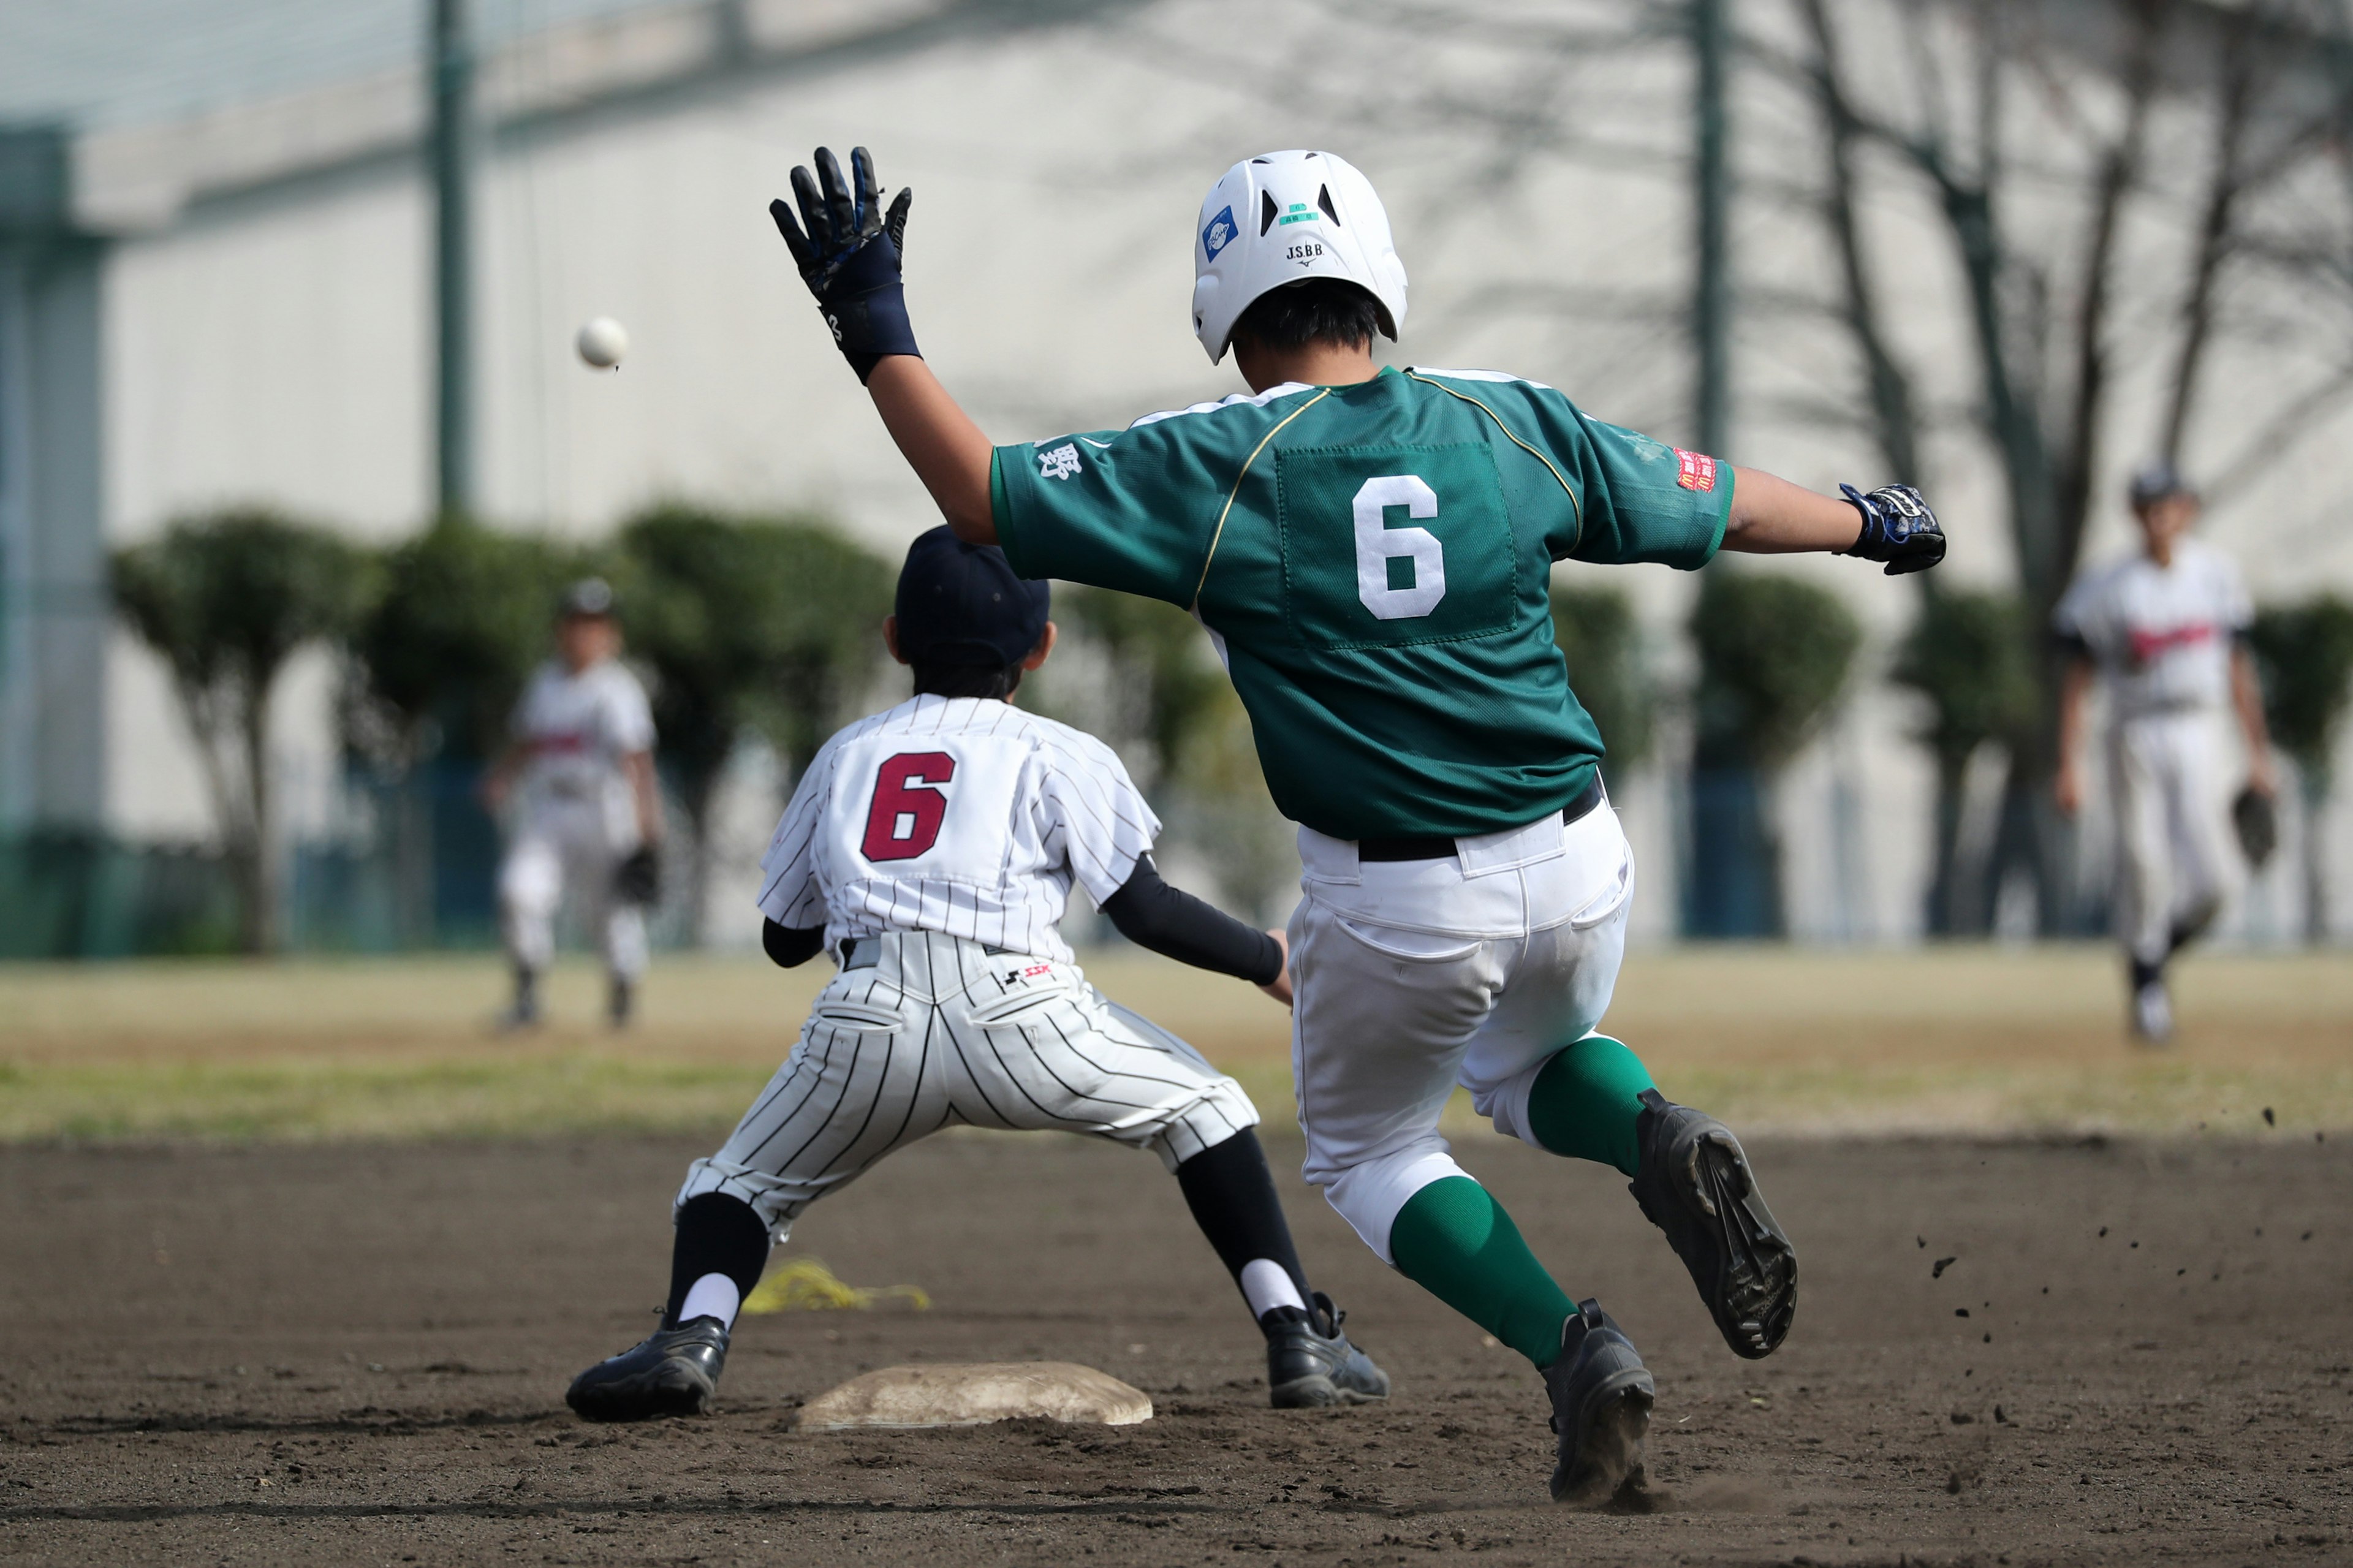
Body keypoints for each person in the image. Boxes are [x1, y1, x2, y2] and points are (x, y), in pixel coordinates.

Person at [765, 145, 1944, 1506]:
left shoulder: (1222, 460)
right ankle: (1654, 1133)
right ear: (1374, 281)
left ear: (1225, 304)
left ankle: (1575, 1347)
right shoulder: (1511, 420)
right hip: (1578, 859)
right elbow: (1715, 498)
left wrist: (876, 326)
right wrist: (1869, 520)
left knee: (1371, 1150)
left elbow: (980, 497)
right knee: (1535, 1057)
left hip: (1398, 902)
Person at [564, 528, 1389, 1421]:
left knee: (735, 1185)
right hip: (1026, 1010)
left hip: (866, 1017)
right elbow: (1143, 909)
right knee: (1207, 1110)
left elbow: (782, 938)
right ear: (1041, 646)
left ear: (893, 640)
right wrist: (1271, 959)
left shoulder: (847, 753)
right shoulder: (1061, 750)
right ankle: (1298, 1333)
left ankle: (691, 1337)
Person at [2053, 463, 2275, 1043]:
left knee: (2218, 877)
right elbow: (2078, 678)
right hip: (2135, 730)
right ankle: (2149, 992)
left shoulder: (2216, 574)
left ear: (2188, 510)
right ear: (2134, 514)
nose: (2159, 518)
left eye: (2169, 505)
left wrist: (2260, 753)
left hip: (2204, 727)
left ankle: (2152, 956)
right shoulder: (2107, 585)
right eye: (2149, 507)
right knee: (2143, 861)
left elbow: (2238, 668)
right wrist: (2068, 763)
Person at [483, 578, 664, 1030]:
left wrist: (648, 829)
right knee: (519, 890)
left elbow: (637, 761)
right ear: (561, 629)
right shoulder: (545, 682)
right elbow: (527, 740)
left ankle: (622, 996)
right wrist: (503, 776)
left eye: (595, 623)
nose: (585, 633)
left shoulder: (616, 688)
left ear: (611, 633)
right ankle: (527, 997)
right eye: (577, 622)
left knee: (610, 910)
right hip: (549, 805)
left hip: (603, 807)